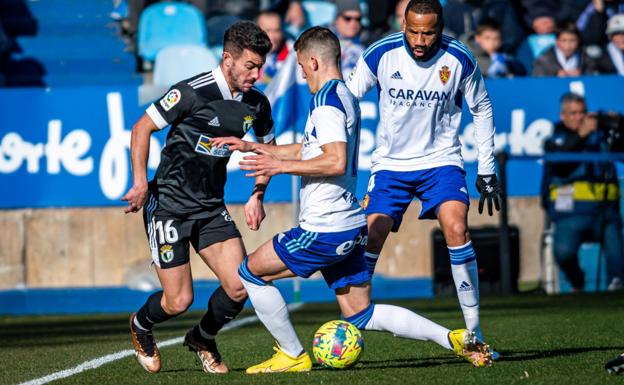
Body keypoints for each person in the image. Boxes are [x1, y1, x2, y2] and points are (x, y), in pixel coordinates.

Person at [211, 26, 493, 373]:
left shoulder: (327, 103)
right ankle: (452, 338)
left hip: (324, 227)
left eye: (300, 65)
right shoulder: (343, 94)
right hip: (349, 225)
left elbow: (335, 160)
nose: (300, 72)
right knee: (362, 312)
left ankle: (292, 354)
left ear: (313, 61)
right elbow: (311, 149)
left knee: (250, 272)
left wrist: (279, 165)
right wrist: (255, 147)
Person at [346, 0, 502, 355]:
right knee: (372, 234)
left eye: (428, 32)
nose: (419, 39)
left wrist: (487, 167)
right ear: (403, 25)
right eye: (413, 31)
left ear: (441, 29)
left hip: (440, 160)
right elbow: (348, 98)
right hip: (390, 165)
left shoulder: (459, 58)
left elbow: (482, 107)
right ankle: (353, 314)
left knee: (456, 227)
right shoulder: (381, 54)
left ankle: (474, 333)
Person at [122, 21, 274, 374]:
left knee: (240, 286)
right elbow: (142, 127)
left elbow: (269, 150)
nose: (256, 74)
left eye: (260, 66)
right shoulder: (192, 92)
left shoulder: (257, 104)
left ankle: (203, 338)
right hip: (169, 208)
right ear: (227, 59)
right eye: (250, 65)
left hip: (209, 208)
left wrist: (258, 194)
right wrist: (140, 182)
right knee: (178, 301)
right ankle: (141, 324)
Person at [541, 92, 624, 292]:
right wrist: (581, 135)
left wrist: (617, 123)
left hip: (605, 213)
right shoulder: (555, 139)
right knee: (564, 252)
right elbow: (559, 162)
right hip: (570, 215)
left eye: (583, 112)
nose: (580, 117)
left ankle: (617, 286)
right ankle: (577, 280)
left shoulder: (601, 137)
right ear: (563, 115)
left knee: (616, 255)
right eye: (574, 113)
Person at [532, 22, 599, 77]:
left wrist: (582, 74)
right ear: (556, 41)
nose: (568, 46)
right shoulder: (543, 59)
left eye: (573, 41)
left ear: (578, 41)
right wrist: (556, 75)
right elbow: (537, 78)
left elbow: (595, 75)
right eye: (564, 41)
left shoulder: (585, 57)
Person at [256, 10, 293, 84]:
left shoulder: (294, 54)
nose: (273, 37)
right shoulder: (244, 52)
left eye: (277, 30)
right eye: (268, 31)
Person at [333, 0, 366, 79]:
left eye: (358, 19)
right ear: (336, 20)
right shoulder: (321, 40)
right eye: (347, 18)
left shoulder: (369, 41)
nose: (353, 23)